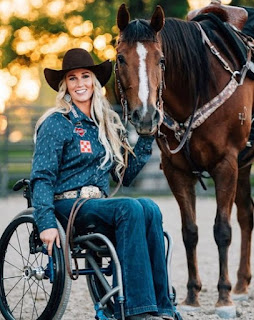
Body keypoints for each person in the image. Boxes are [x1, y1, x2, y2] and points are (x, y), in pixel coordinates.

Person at [30, 48, 174, 320]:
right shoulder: (56, 123)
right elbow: (42, 177)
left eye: (85, 76)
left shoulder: (106, 125)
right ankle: (138, 309)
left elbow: (125, 177)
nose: (80, 83)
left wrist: (145, 138)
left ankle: (162, 306)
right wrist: (46, 223)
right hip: (67, 207)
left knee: (149, 207)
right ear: (65, 86)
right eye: (72, 79)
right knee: (130, 209)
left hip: (96, 205)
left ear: (94, 82)